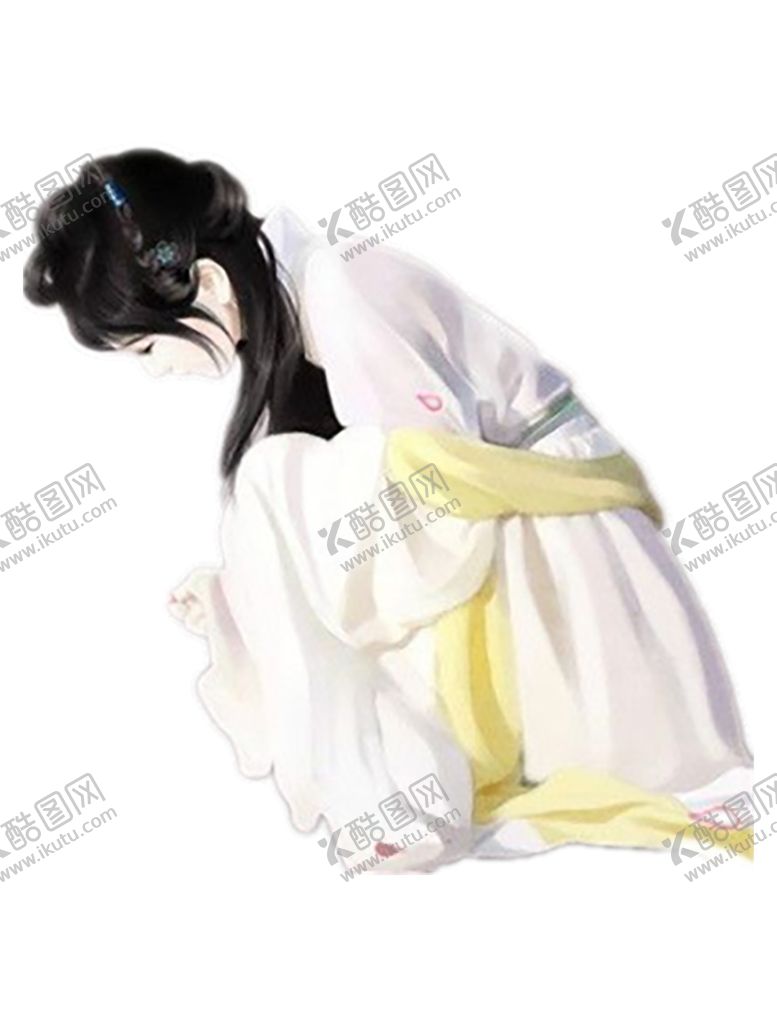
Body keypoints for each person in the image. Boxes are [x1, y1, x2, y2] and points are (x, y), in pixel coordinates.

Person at [24, 149, 754, 873]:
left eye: (147, 347)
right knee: (274, 495)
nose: (157, 370)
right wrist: (236, 592)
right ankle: (395, 789)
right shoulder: (308, 308)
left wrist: (275, 544)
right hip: (516, 523)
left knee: (272, 484)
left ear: (208, 284)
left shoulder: (344, 290)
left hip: (555, 544)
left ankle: (397, 790)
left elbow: (442, 481)